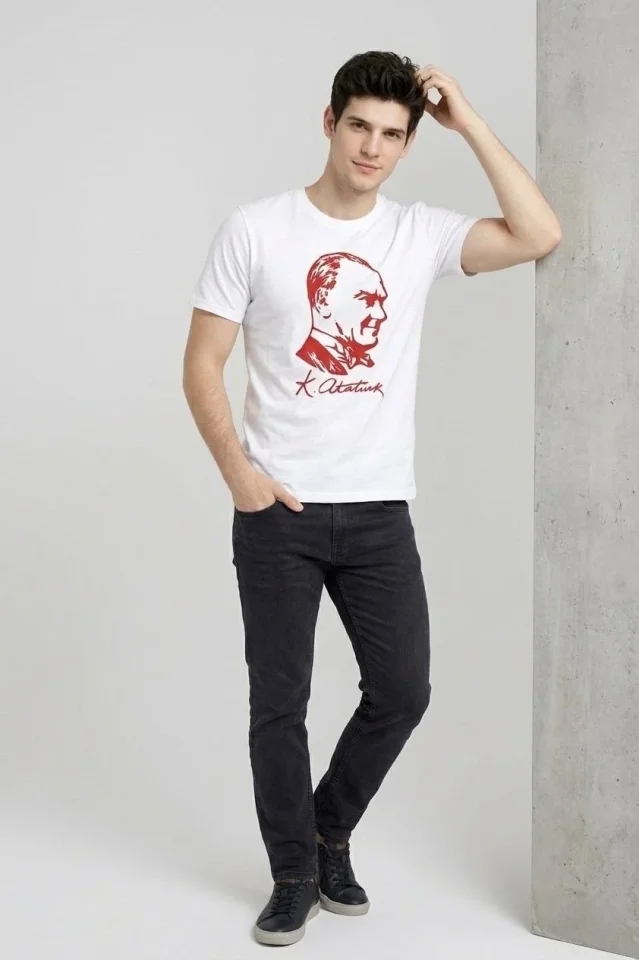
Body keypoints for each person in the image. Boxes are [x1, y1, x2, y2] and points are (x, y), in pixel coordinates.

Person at [183, 50, 561, 947]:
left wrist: (468, 122)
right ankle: (292, 875)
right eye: (358, 126)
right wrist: (240, 475)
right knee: (279, 705)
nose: (372, 148)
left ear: (407, 143)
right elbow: (202, 362)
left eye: (392, 134)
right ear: (329, 123)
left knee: (402, 689)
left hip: (379, 512)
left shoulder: (417, 235)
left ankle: (326, 829)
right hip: (277, 513)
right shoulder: (256, 229)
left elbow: (538, 233)